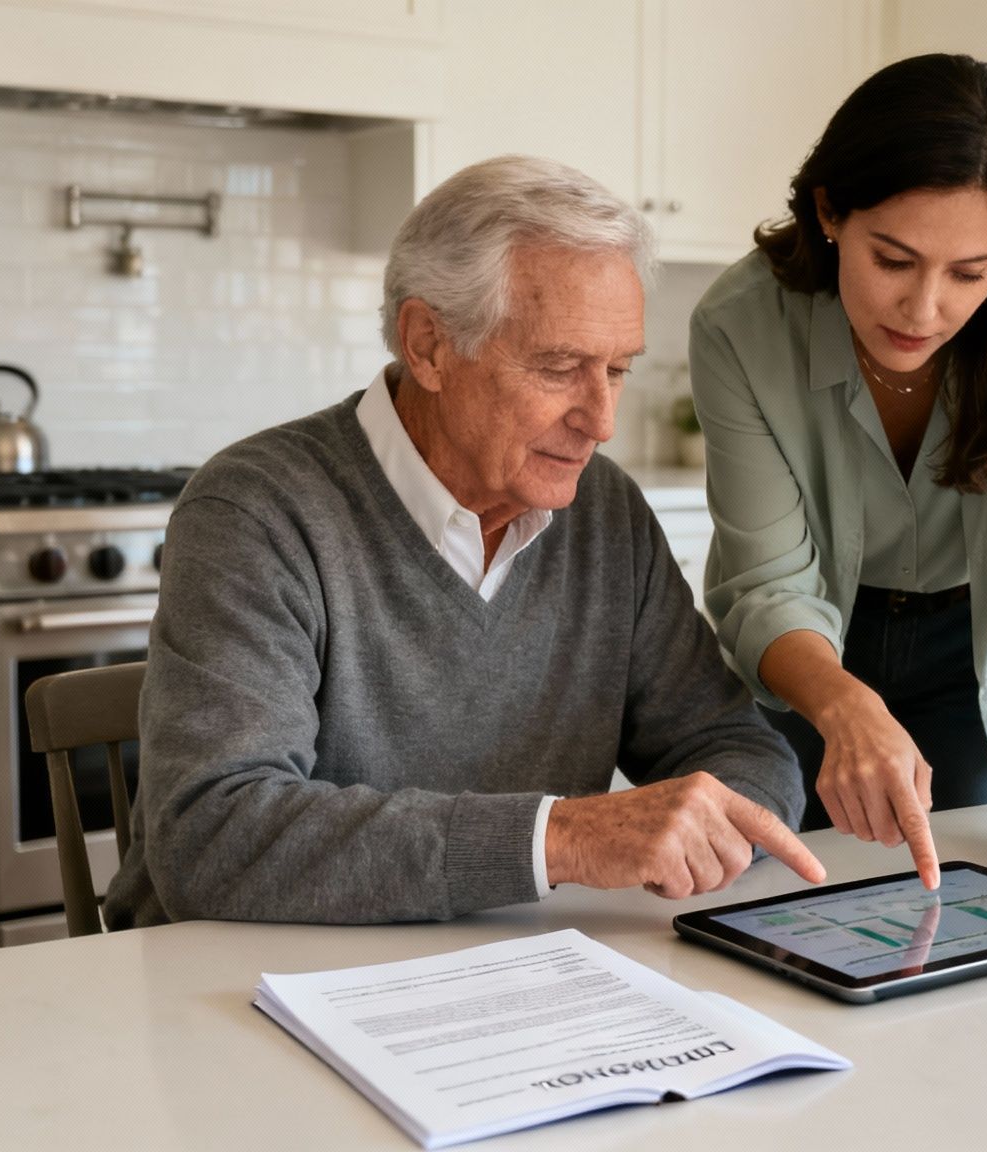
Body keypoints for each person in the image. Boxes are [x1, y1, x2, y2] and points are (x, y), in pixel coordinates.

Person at [102, 155, 824, 929]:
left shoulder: (605, 512)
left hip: (506, 978)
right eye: (558, 368)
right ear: (428, 346)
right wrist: (563, 839)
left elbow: (733, 747)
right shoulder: (257, 511)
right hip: (237, 990)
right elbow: (212, 839)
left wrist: (714, 827)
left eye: (615, 370)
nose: (601, 419)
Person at [689, 54, 987, 904]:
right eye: (893, 260)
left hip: (963, 646)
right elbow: (767, 583)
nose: (923, 308)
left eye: (970, 273)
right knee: (762, 897)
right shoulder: (741, 322)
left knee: (966, 893)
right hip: (804, 656)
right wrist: (844, 704)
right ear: (830, 211)